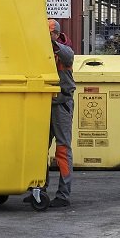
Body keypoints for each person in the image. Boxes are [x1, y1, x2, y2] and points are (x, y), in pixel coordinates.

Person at [46, 18, 75, 208]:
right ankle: (38, 189)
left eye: (49, 34)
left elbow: (68, 56)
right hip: (43, 103)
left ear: (56, 34)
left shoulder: (64, 49)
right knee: (39, 149)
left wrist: (52, 44)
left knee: (62, 149)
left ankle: (63, 195)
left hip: (61, 103)